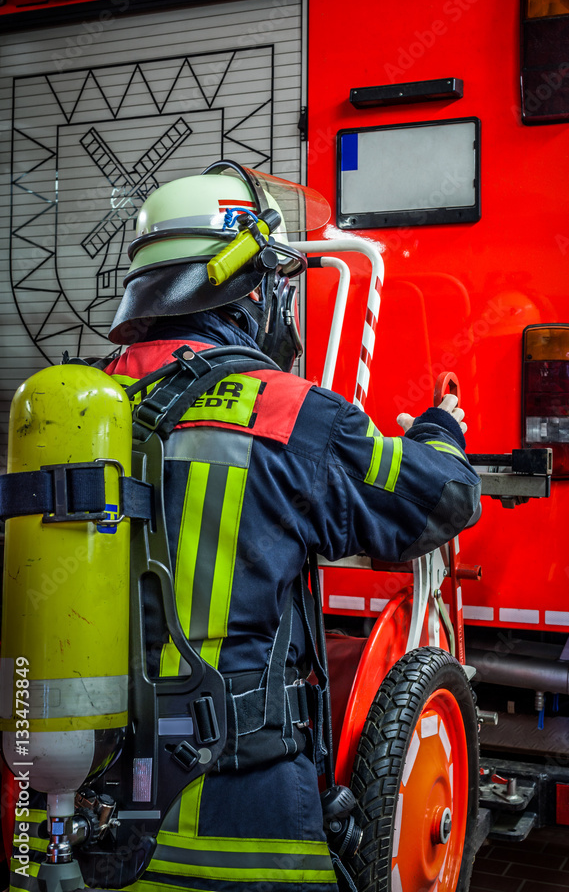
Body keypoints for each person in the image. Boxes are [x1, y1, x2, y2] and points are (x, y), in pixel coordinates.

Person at [101, 162, 481, 892]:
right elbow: (439, 500)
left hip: (86, 812)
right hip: (241, 820)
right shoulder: (289, 413)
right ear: (249, 287)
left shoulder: (84, 405)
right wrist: (441, 431)